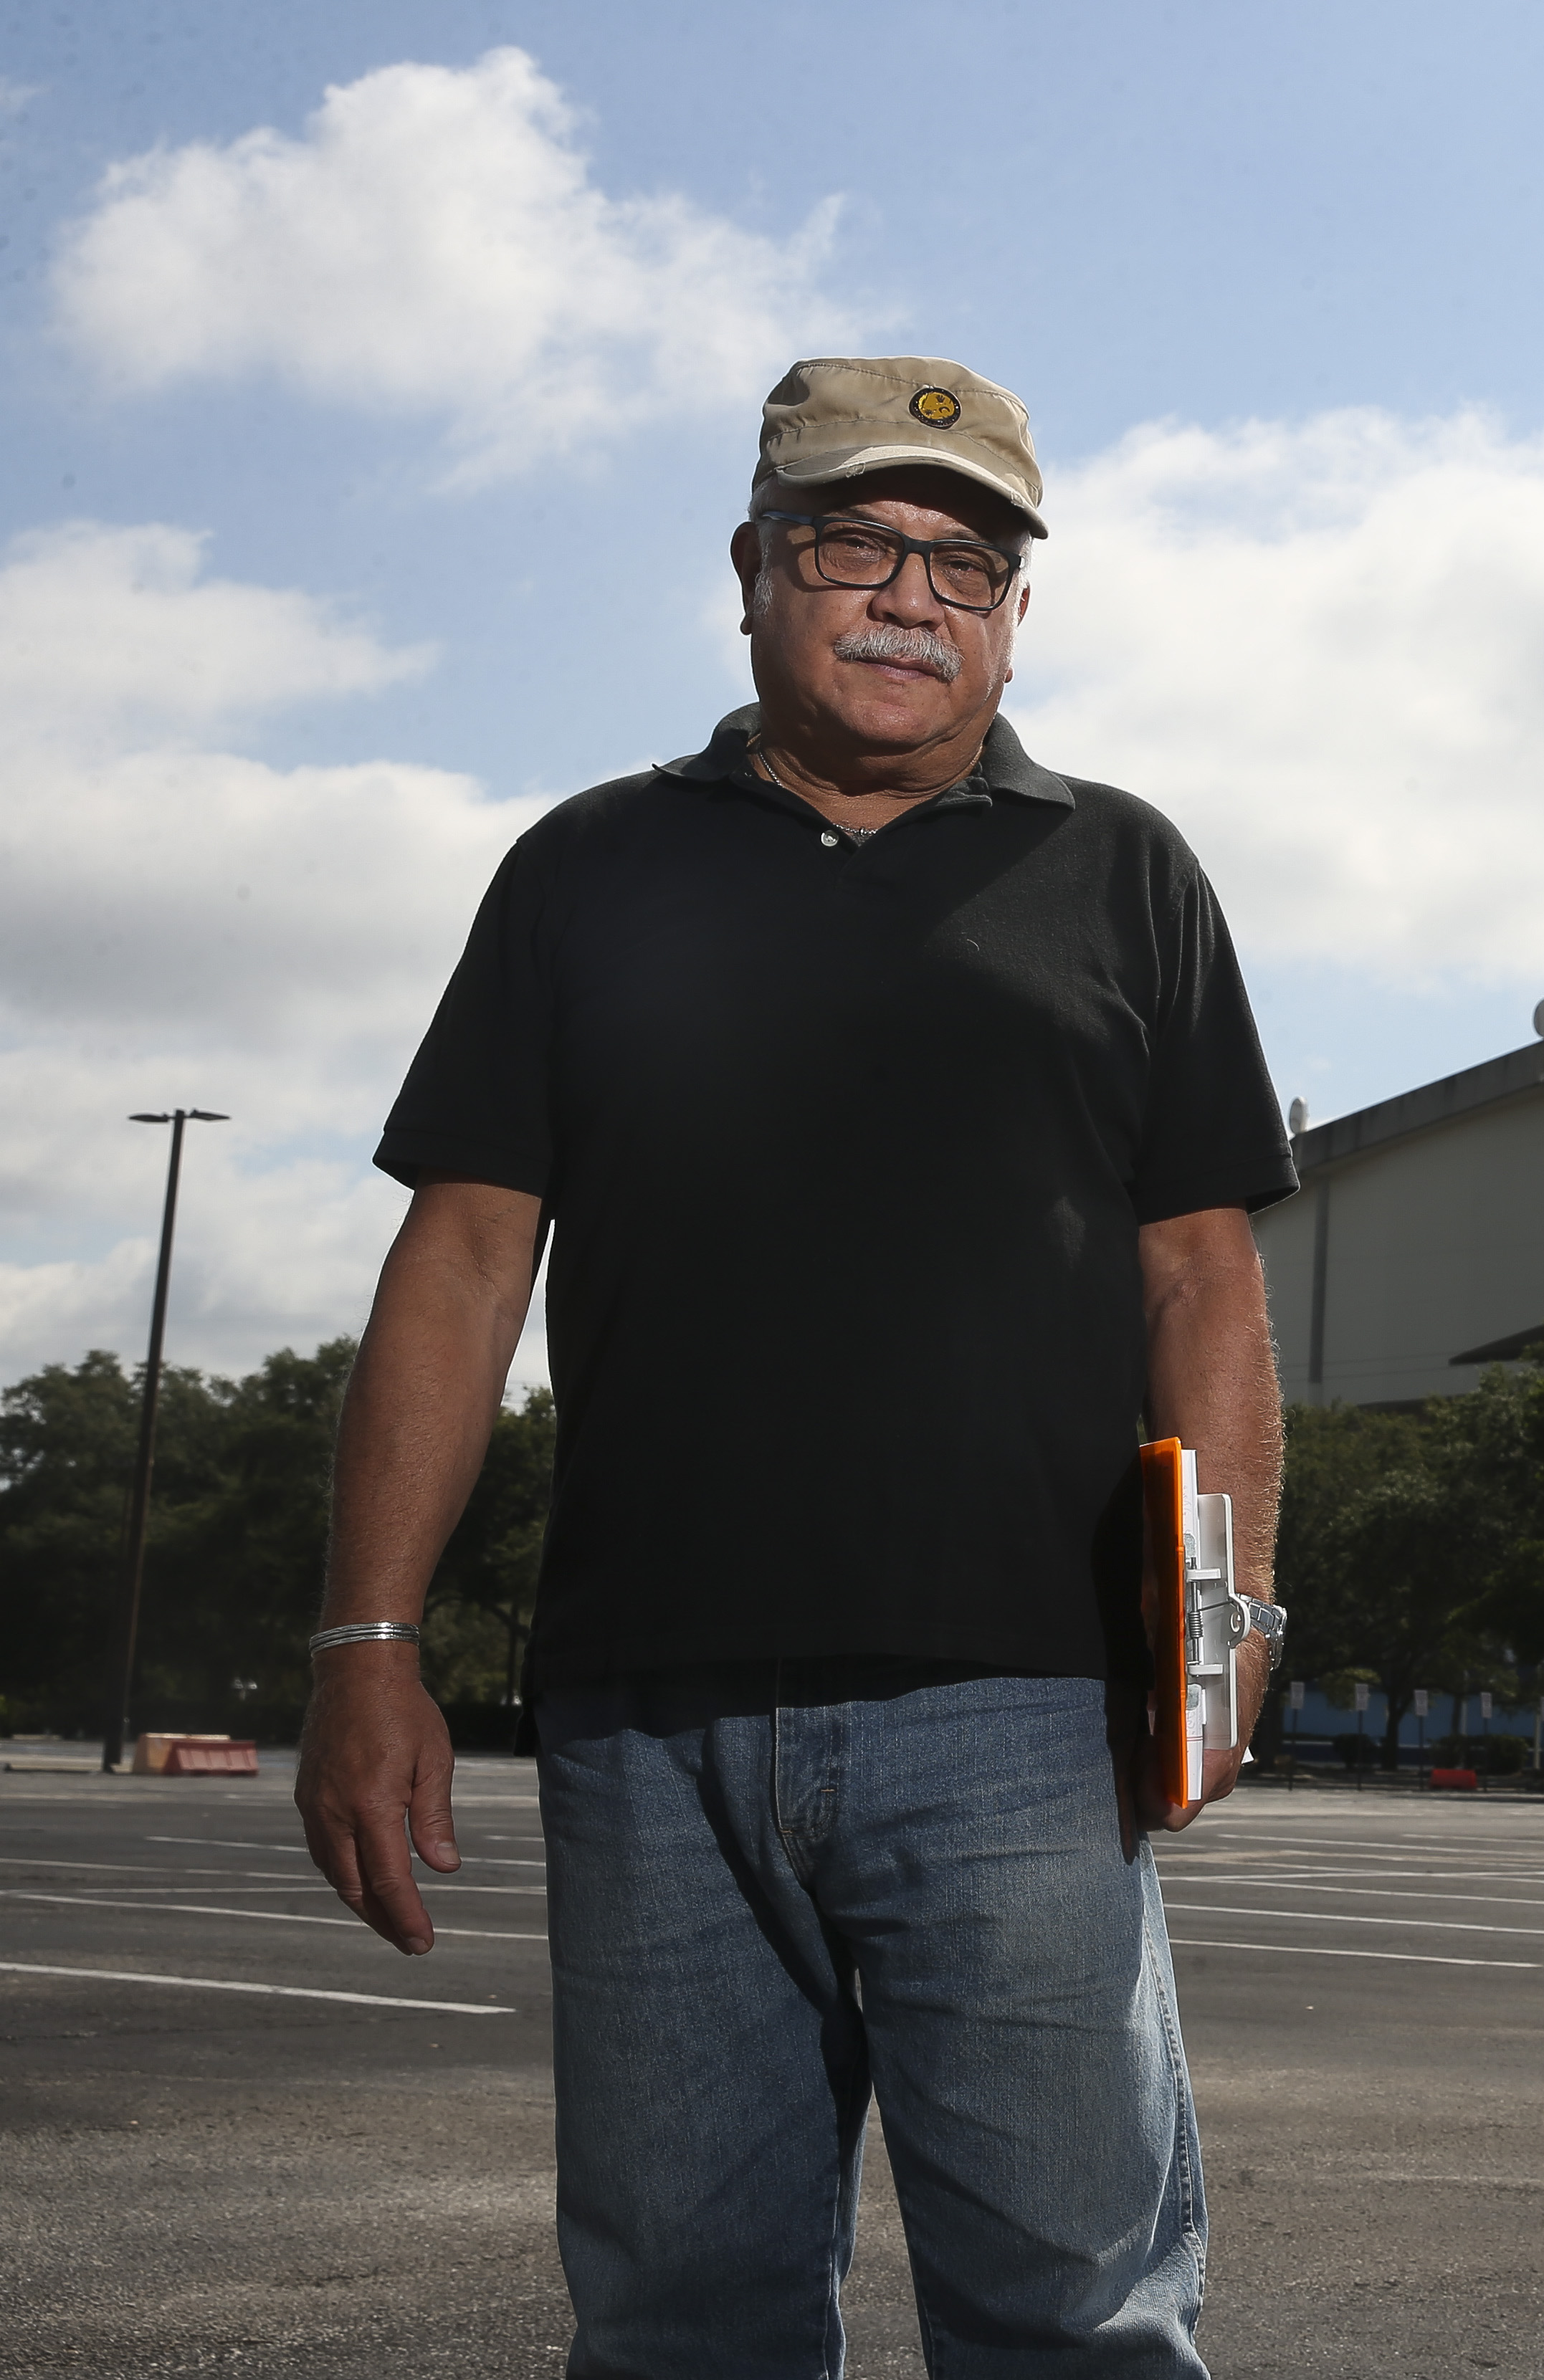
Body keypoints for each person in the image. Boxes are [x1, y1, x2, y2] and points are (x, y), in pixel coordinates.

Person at [293, 355, 1295, 2376]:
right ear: (755, 567)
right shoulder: (588, 869)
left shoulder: (1125, 874)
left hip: (1024, 1705)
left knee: (1079, 2322)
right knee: (680, 2325)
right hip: (649, 1718)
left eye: (969, 561)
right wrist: (364, 1640)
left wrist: (1222, 1611)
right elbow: (466, 1256)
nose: (911, 595)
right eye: (856, 542)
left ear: (1019, 613)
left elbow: (1205, 1279)